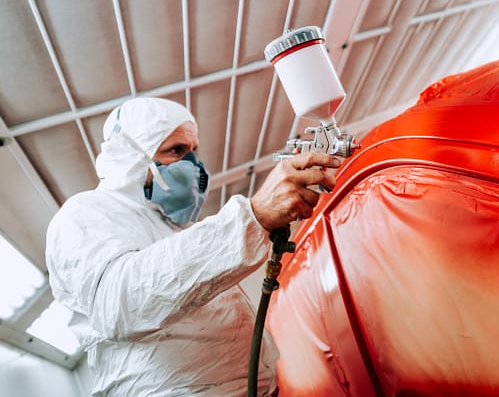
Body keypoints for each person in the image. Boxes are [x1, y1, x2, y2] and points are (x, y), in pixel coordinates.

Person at [45, 97, 341, 396]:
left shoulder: (176, 229)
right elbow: (118, 303)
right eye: (176, 150)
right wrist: (253, 217)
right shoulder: (85, 213)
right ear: (132, 155)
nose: (194, 166)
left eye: (193, 152)